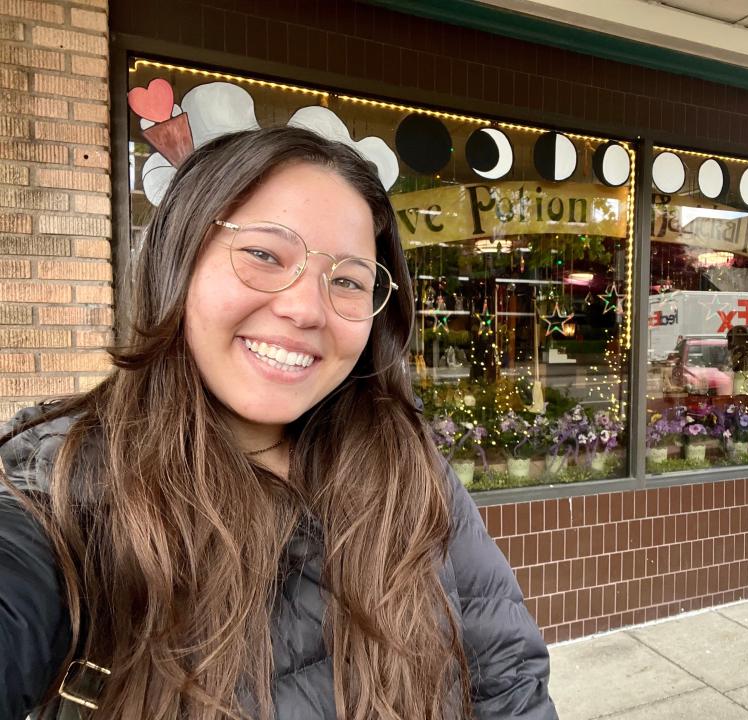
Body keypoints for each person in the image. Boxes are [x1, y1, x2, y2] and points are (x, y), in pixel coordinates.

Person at [0, 127, 557, 720]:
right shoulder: (58, 483)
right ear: (179, 258)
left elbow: (508, 680)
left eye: (347, 280)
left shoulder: (409, 469)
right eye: (265, 255)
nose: (305, 309)